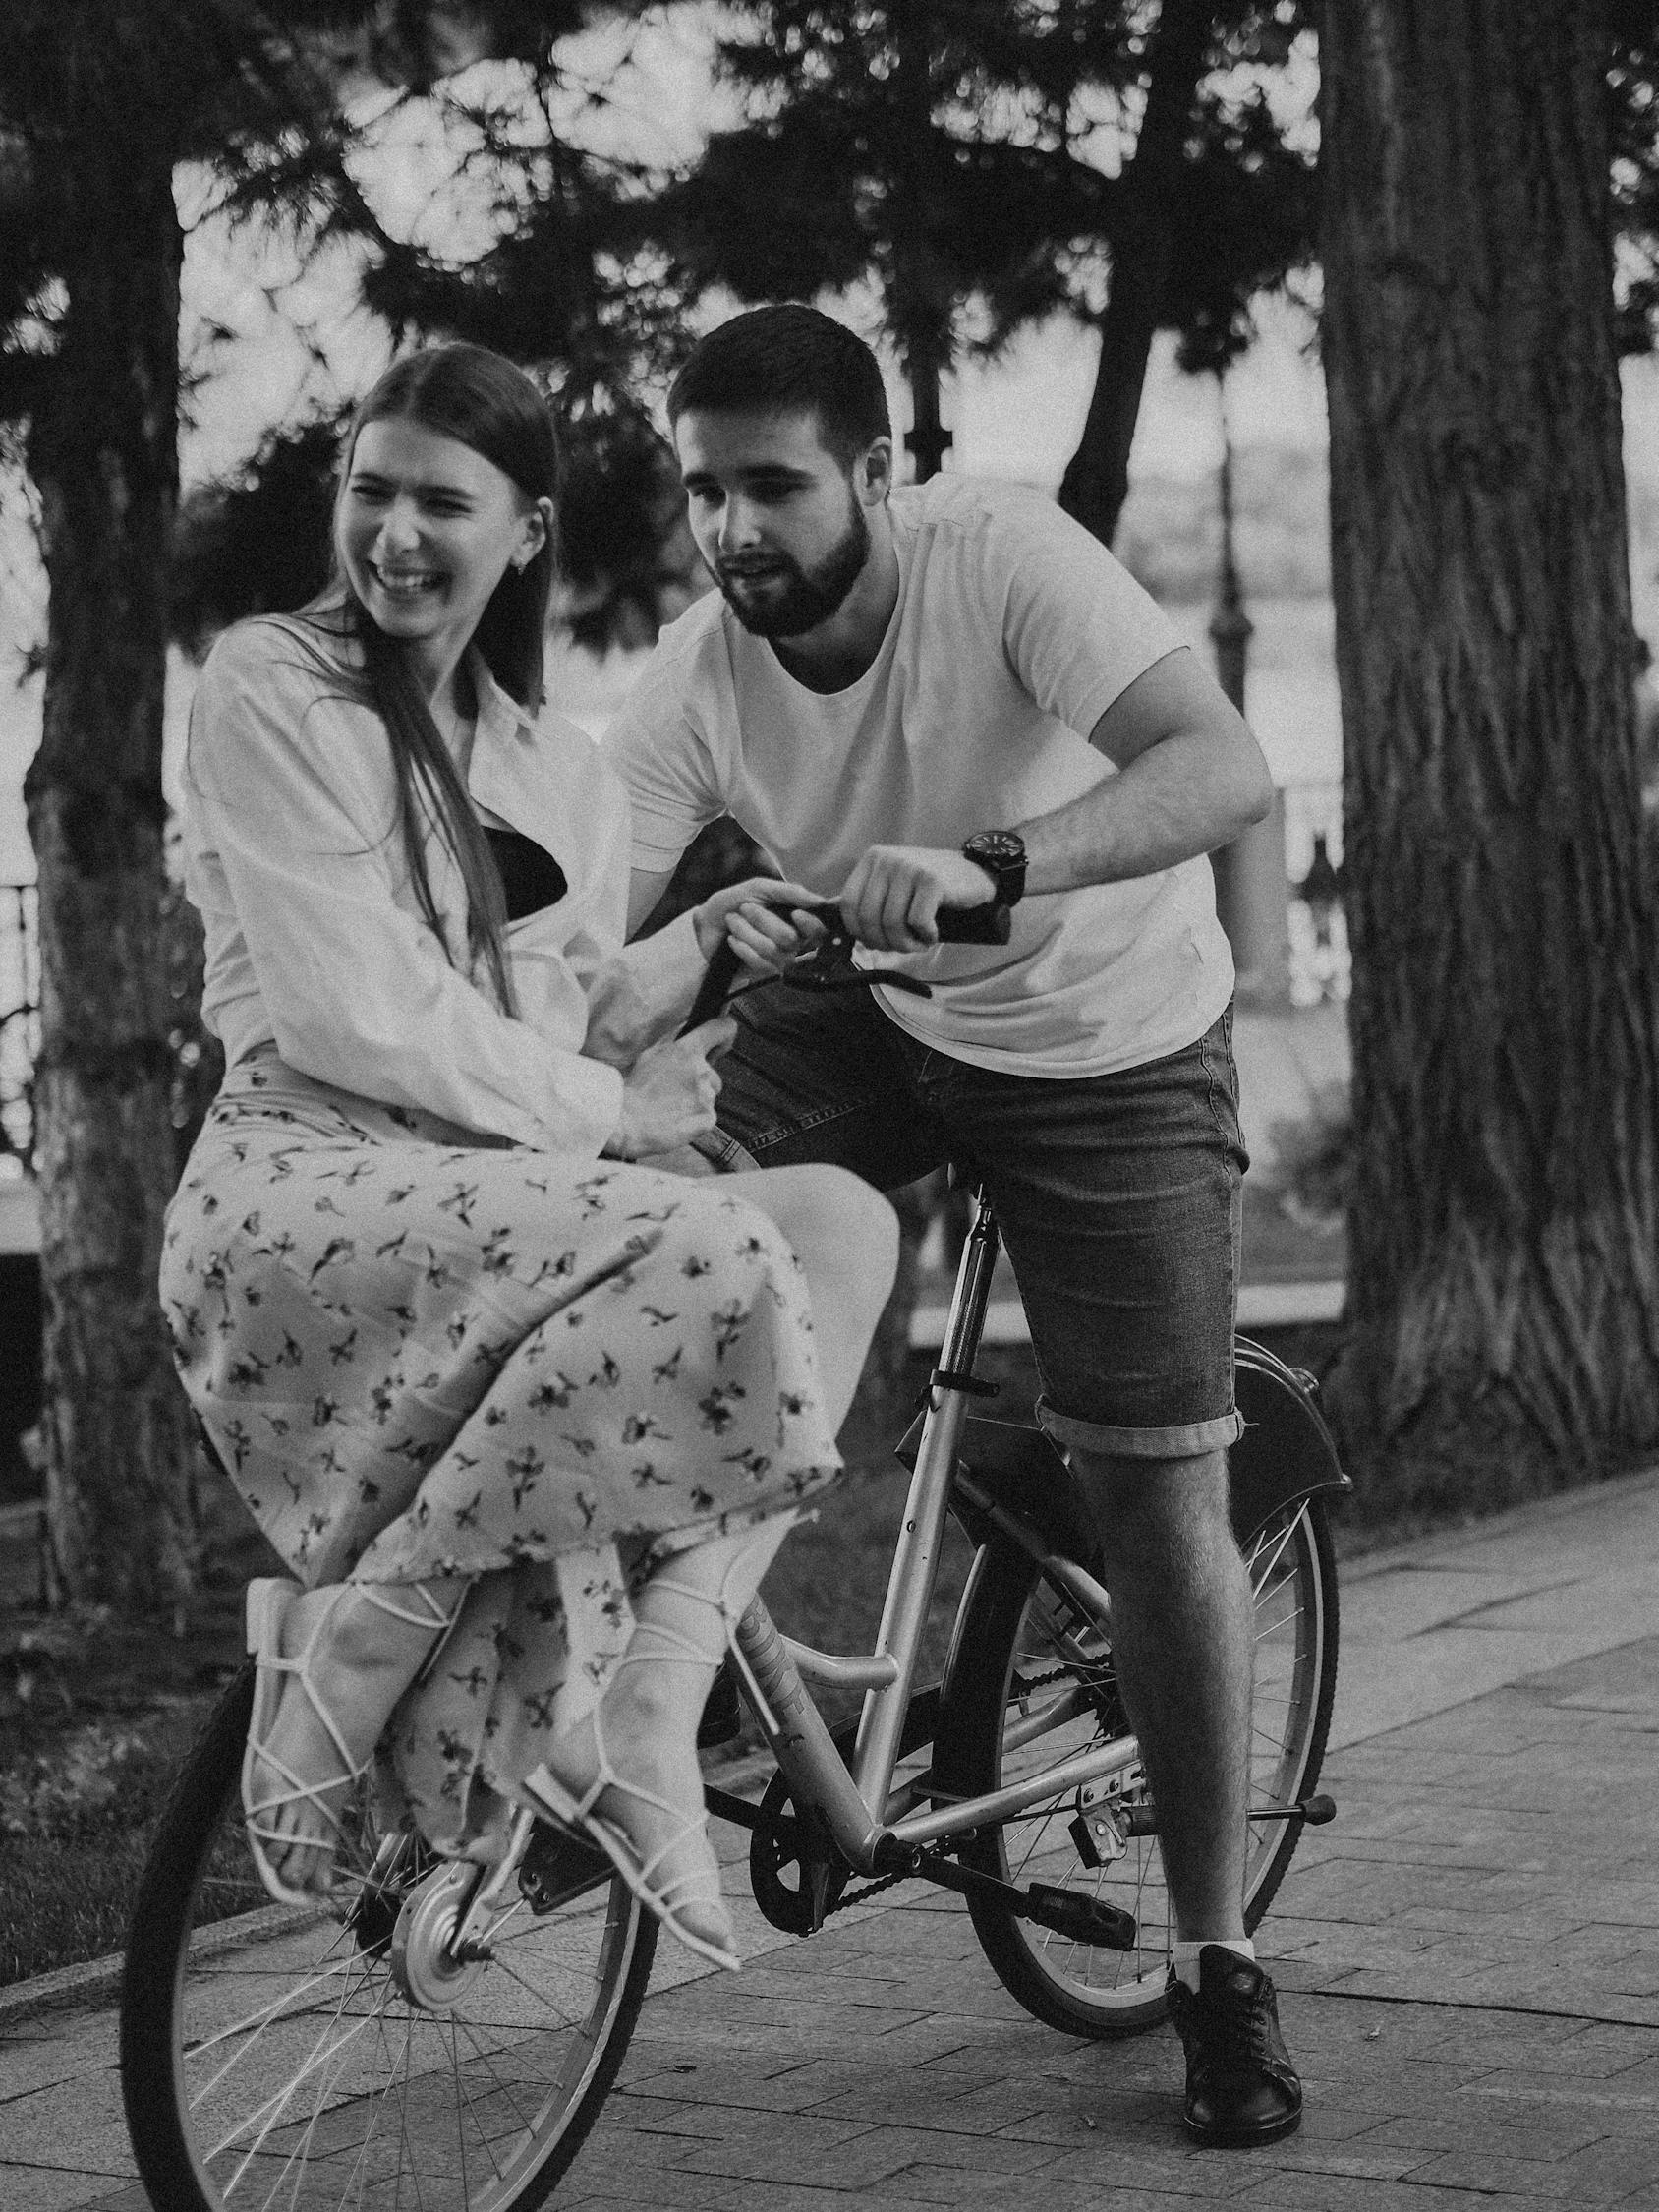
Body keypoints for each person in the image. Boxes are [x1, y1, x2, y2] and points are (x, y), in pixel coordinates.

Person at [606, 304, 1302, 2137]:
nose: (734, 527)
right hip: (877, 995)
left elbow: (1223, 767)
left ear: (883, 472)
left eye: (773, 484)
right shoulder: (695, 681)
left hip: (1108, 1043)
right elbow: (582, 950)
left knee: (1158, 1487)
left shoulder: (1001, 561)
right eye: (704, 489)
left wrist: (1006, 862)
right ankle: (680, 1640)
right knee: (615, 1206)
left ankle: (1219, 1959)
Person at [160, 340, 897, 1972]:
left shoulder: (564, 768)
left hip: (506, 1193)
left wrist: (689, 951)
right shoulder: (274, 683)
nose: (398, 535)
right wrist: (612, 1114)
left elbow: (546, 1027)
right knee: (695, 1244)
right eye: (372, 491)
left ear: (526, 527)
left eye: (444, 501)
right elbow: (360, 1012)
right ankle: (351, 1644)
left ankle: (651, 1704)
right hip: (309, 1180)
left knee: (836, 1227)